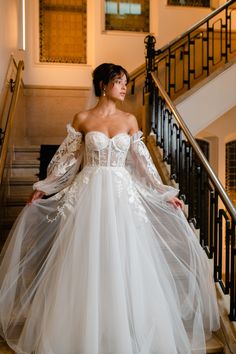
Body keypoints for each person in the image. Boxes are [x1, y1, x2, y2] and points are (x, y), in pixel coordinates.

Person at [0, 63, 219, 354]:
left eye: (126, 82)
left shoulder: (130, 120)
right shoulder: (82, 119)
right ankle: (81, 332)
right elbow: (67, 163)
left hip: (121, 197)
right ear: (103, 85)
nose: (125, 87)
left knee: (124, 259)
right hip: (88, 195)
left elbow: (143, 165)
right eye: (119, 81)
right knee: (85, 261)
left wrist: (164, 192)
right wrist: (44, 188)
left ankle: (124, 330)